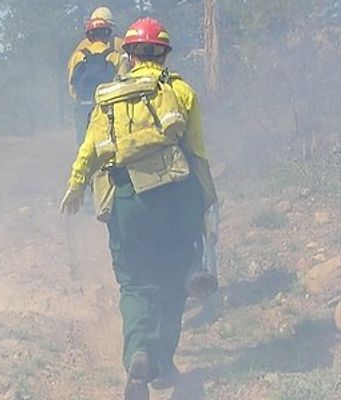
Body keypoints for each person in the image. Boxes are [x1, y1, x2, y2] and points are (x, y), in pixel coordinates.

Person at [60, 17, 218, 400]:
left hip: (128, 200)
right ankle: (163, 360)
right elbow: (196, 152)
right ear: (163, 53)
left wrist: (75, 185)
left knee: (134, 284)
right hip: (176, 196)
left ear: (127, 55)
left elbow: (89, 151)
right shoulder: (179, 90)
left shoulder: (108, 98)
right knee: (173, 281)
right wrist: (208, 199)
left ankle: (138, 354)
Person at [66, 6, 126, 145]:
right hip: (109, 109)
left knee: (84, 145)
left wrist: (82, 100)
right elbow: (124, 84)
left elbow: (72, 85)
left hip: (83, 108)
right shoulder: (119, 51)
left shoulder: (79, 53)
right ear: (109, 30)